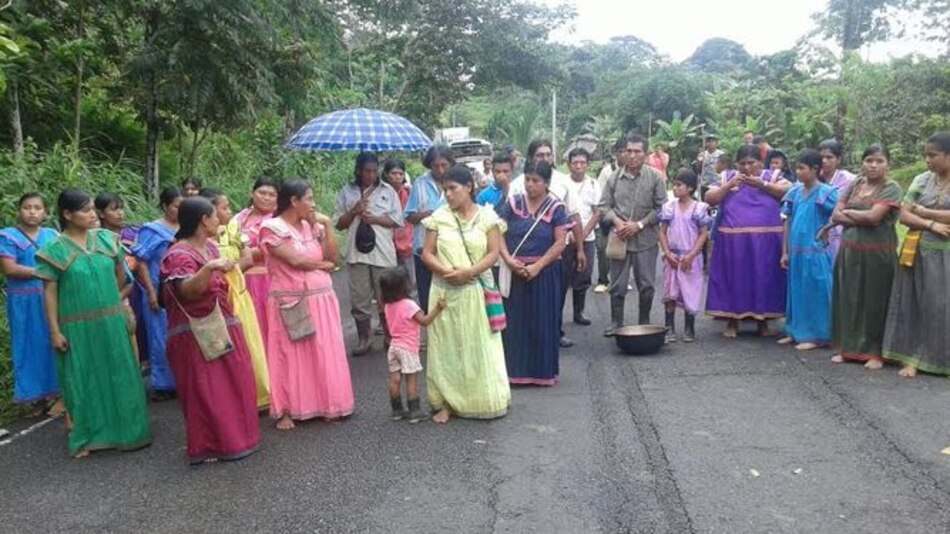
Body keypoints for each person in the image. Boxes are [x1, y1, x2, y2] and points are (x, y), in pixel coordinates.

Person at [36, 189, 151, 458]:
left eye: (92, 209)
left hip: (111, 320)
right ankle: (87, 436)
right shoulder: (54, 249)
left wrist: (112, 304)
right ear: (67, 214)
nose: (92, 214)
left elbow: (122, 279)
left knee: (120, 373)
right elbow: (50, 294)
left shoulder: (108, 240)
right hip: (76, 326)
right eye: (85, 210)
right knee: (82, 378)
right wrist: (54, 330)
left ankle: (129, 432)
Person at [160, 198, 261, 464]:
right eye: (215, 216)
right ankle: (210, 446)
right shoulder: (178, 255)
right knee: (208, 390)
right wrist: (208, 268)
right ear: (204, 220)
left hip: (223, 323)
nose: (219, 221)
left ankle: (237, 440)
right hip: (195, 333)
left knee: (235, 381)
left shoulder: (211, 247)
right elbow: (187, 290)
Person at [261, 179, 354, 430]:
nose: (313, 205)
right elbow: (296, 260)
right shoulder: (271, 227)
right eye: (309, 199)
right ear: (294, 201)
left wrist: (325, 225)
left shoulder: (311, 226)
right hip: (290, 299)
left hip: (321, 296)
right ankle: (287, 410)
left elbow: (333, 257)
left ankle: (327, 403)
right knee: (289, 354)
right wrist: (322, 266)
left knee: (324, 350)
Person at [421, 165, 510, 423]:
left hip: (474, 290)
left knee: (476, 346)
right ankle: (446, 402)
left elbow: (493, 253)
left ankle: (480, 398)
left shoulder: (487, 218)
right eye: (444, 189)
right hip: (443, 293)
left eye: (453, 188)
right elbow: (427, 253)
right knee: (445, 348)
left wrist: (468, 272)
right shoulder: (438, 217)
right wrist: (448, 272)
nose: (448, 194)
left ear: (469, 187)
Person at [824, 145, 902, 369]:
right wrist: (854, 215)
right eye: (869, 160)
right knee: (848, 299)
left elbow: (873, 218)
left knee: (875, 302)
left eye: (879, 161)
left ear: (888, 164)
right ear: (862, 162)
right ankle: (847, 349)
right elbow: (835, 214)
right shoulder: (855, 184)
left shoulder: (891, 188)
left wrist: (847, 214)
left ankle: (876, 352)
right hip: (849, 251)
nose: (873, 165)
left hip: (878, 254)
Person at [705, 144, 791, 338]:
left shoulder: (772, 176)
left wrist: (761, 184)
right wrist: (728, 186)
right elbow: (709, 198)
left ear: (761, 162)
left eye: (751, 163)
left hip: (765, 240)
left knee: (763, 278)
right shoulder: (728, 177)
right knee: (734, 279)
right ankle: (732, 321)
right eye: (742, 163)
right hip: (733, 239)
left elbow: (788, 192)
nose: (746, 167)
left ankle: (763, 322)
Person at [883, 132, 950, 377]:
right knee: (917, 303)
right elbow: (904, 215)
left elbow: (915, 212)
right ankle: (915, 358)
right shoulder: (922, 180)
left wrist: (923, 211)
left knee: (941, 306)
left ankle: (941, 359)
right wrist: (932, 224)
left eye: (933, 155)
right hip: (919, 249)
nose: (927, 160)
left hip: (946, 256)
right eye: (926, 155)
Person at [499, 160, 571, 384]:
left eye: (536, 181)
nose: (530, 185)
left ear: (546, 183)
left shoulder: (556, 208)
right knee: (515, 323)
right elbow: (497, 234)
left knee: (542, 321)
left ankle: (542, 373)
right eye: (527, 179)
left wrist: (538, 266)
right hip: (515, 270)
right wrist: (509, 261)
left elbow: (560, 243)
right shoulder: (512, 204)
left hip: (545, 273)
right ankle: (515, 372)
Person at [201, 189, 270, 409]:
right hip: (213, 297)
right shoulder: (199, 241)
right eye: (224, 208)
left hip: (237, 294)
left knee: (247, 343)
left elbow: (247, 258)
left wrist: (228, 274)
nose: (229, 212)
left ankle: (257, 395)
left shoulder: (233, 230)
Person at [334, 152, 404, 355]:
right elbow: (339, 224)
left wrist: (374, 219)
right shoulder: (347, 191)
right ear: (358, 170)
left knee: (387, 297)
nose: (371, 175)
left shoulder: (388, 191)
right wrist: (354, 211)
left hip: (383, 254)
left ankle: (390, 336)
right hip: (357, 255)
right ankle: (364, 338)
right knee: (359, 299)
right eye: (367, 171)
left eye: (374, 171)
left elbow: (397, 221)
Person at [0, 193, 61, 415]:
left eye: (37, 207)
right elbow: (10, 268)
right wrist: (44, 271)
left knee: (52, 341)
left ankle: (57, 393)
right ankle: (33, 398)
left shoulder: (52, 235)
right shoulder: (8, 236)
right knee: (27, 345)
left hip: (51, 297)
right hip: (23, 301)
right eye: (27, 207)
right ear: (19, 210)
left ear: (45, 212)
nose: (32, 211)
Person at [601, 135, 667, 335]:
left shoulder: (655, 177)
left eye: (637, 151)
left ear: (645, 154)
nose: (632, 155)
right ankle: (616, 323)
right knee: (617, 285)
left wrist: (639, 225)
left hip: (645, 239)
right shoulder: (614, 178)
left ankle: (644, 322)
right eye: (629, 151)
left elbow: (662, 208)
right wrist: (618, 222)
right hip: (620, 239)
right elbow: (604, 206)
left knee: (646, 284)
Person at [778, 149, 838, 351]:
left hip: (815, 250)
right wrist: (784, 251)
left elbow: (839, 214)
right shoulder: (794, 192)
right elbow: (787, 221)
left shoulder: (827, 192)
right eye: (797, 168)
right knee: (796, 291)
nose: (798, 172)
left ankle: (818, 335)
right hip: (796, 251)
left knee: (817, 291)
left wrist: (827, 229)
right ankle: (795, 331)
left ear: (815, 169)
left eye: (802, 168)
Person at [509, 139, 587, 277]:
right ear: (531, 158)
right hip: (522, 258)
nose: (545, 158)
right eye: (540, 155)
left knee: (556, 294)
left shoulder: (564, 181)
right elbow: (505, 223)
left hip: (559, 252)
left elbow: (574, 215)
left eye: (548, 154)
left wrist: (580, 249)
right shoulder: (517, 184)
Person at [133, 186, 181, 399]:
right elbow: (141, 261)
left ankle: (179, 380)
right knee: (159, 336)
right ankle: (161, 383)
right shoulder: (151, 230)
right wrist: (151, 292)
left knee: (178, 335)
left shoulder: (186, 228)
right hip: (156, 288)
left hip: (178, 290)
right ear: (165, 206)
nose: (179, 210)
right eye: (175, 206)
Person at [379, 267, 445, 423]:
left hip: (394, 346)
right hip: (408, 347)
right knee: (411, 378)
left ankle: (397, 410)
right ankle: (414, 411)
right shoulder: (408, 304)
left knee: (395, 378)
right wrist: (438, 308)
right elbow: (425, 321)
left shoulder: (388, 306)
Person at [658, 170, 711, 343]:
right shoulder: (669, 207)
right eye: (674, 184)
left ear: (690, 188)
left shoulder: (699, 208)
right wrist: (667, 253)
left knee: (690, 292)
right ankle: (669, 327)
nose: (675, 188)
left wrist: (692, 254)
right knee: (670, 292)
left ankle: (690, 327)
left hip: (691, 257)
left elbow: (703, 234)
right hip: (673, 255)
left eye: (679, 185)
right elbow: (662, 232)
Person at [95, 192, 145, 366]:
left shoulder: (134, 232)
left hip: (136, 288)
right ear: (101, 213)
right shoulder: (96, 238)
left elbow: (144, 257)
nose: (120, 213)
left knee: (136, 330)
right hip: (111, 290)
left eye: (122, 208)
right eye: (114, 209)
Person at [559, 148, 601, 347]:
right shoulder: (562, 183)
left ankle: (579, 312)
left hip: (588, 236)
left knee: (584, 275)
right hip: (566, 239)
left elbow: (597, 212)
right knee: (563, 277)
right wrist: (572, 236)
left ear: (587, 164)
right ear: (569, 164)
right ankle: (558, 315)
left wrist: (582, 235)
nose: (578, 166)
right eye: (574, 162)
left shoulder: (593, 184)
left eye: (582, 162)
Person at [405, 145, 453, 311]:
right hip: (423, 248)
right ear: (429, 165)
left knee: (449, 294)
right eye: (435, 166)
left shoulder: (456, 183)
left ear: (450, 164)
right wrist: (428, 215)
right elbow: (409, 216)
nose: (440, 170)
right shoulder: (420, 184)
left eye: (444, 165)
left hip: (450, 248)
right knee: (426, 295)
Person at [234, 176, 279, 347]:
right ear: (252, 193)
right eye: (262, 192)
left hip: (265, 280)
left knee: (266, 326)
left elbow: (266, 249)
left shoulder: (276, 220)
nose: (266, 197)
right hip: (241, 278)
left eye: (271, 194)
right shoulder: (240, 217)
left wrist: (240, 255)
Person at [817, 139, 856, 259]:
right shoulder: (813, 179)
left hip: (842, 233)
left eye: (829, 157)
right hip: (817, 233)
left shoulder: (849, 180)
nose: (824, 161)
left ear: (838, 160)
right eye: (821, 157)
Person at [384, 159, 416, 289]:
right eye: (393, 173)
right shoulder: (381, 194)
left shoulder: (409, 193)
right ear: (386, 175)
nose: (397, 177)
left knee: (410, 282)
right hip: (387, 242)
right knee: (391, 282)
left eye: (400, 173)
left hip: (407, 242)